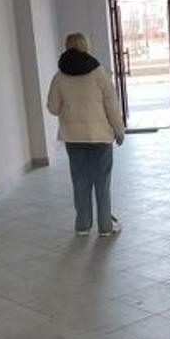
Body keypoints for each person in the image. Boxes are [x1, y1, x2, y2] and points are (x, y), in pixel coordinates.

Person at [47, 33, 125, 237]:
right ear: (86, 46)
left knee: (80, 182)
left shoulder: (60, 77)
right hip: (100, 137)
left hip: (74, 138)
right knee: (102, 183)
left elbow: (53, 108)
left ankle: (82, 225)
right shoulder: (99, 73)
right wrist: (119, 130)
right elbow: (112, 106)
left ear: (67, 46)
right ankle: (105, 226)